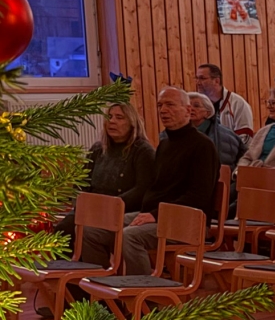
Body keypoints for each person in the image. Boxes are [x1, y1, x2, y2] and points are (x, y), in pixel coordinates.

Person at [83, 87, 218, 276]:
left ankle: (143, 296)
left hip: (186, 221)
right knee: (93, 230)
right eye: (160, 105)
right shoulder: (165, 144)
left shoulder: (202, 146)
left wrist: (155, 215)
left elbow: (198, 196)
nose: (163, 110)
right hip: (158, 215)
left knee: (130, 237)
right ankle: (101, 292)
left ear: (188, 110)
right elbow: (156, 189)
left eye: (170, 105)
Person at [54, 102, 155, 251]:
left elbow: (142, 189)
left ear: (132, 123)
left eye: (119, 117)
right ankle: (69, 270)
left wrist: (109, 206)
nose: (112, 121)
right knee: (63, 229)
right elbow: (81, 182)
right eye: (109, 116)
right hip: (91, 208)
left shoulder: (142, 151)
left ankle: (97, 269)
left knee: (87, 230)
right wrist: (80, 204)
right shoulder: (97, 149)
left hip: (121, 209)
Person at [186, 92, 245, 173]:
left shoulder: (224, 135)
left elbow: (226, 167)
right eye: (188, 106)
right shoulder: (174, 132)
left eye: (196, 106)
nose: (191, 109)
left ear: (207, 113)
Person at [195, 63, 254, 142]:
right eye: (197, 78)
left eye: (202, 78)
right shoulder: (196, 103)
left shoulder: (238, 104)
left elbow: (245, 138)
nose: (198, 82)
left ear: (217, 81)